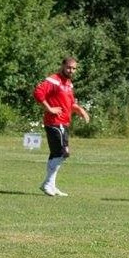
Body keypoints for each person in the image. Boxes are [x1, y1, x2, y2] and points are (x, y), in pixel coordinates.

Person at [33, 56, 90, 197]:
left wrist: (80, 110)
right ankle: (47, 183)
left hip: (63, 123)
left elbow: (70, 104)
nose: (71, 70)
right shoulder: (54, 80)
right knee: (63, 152)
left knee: (56, 154)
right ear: (62, 66)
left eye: (74, 68)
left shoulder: (68, 84)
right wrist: (49, 109)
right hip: (54, 122)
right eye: (69, 67)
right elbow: (38, 93)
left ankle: (51, 185)